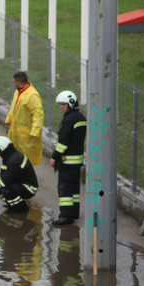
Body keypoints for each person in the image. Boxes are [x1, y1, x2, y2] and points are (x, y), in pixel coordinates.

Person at [49, 90, 87, 226]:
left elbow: (63, 143)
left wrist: (54, 156)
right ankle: (74, 212)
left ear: (70, 104)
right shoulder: (81, 118)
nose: (61, 107)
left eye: (63, 104)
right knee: (74, 189)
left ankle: (66, 216)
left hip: (67, 161)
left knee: (64, 189)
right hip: (77, 160)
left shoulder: (68, 120)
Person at [0, 136, 39, 212]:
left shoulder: (15, 160)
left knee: (6, 189)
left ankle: (21, 207)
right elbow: (3, 174)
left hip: (29, 188)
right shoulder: (10, 156)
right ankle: (11, 203)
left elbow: (5, 181)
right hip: (20, 183)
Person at [4, 71, 44, 165]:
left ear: (19, 82)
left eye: (14, 82)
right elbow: (13, 107)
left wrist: (35, 131)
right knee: (15, 157)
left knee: (24, 159)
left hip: (26, 135)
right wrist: (9, 119)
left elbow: (38, 114)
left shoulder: (32, 96)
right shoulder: (18, 92)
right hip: (16, 132)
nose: (13, 84)